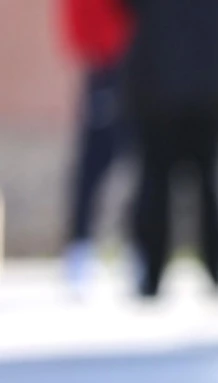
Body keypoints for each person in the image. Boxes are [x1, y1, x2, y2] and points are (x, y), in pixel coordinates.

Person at [122, 0, 218, 298]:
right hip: (210, 79)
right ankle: (217, 270)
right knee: (209, 182)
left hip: (156, 78)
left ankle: (152, 275)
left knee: (156, 181)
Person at [57, 0, 132, 294]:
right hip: (106, 65)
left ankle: (138, 249)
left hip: (145, 65)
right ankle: (80, 250)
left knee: (142, 163)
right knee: (93, 164)